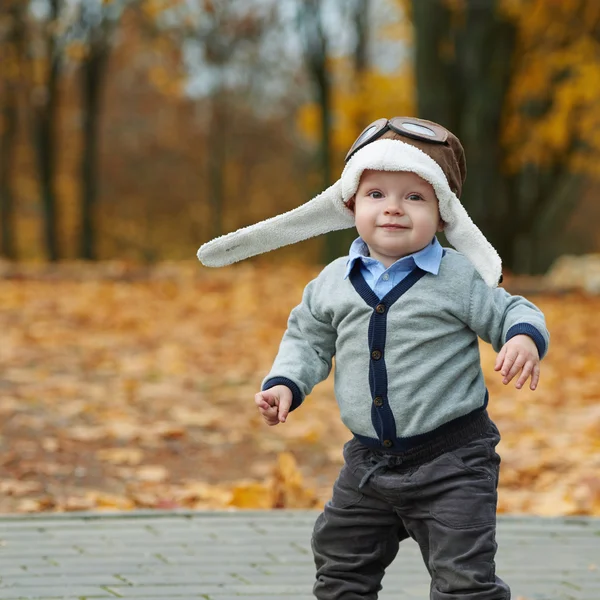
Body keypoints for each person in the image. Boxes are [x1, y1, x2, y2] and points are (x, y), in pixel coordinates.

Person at [197, 117, 549, 600]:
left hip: (453, 460)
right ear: (350, 203)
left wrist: (523, 337)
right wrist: (286, 382)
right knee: (340, 565)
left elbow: (512, 309)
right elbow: (308, 336)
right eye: (377, 194)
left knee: (463, 580)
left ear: (443, 215)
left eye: (415, 197)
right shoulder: (333, 281)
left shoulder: (458, 278)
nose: (394, 209)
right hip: (368, 462)